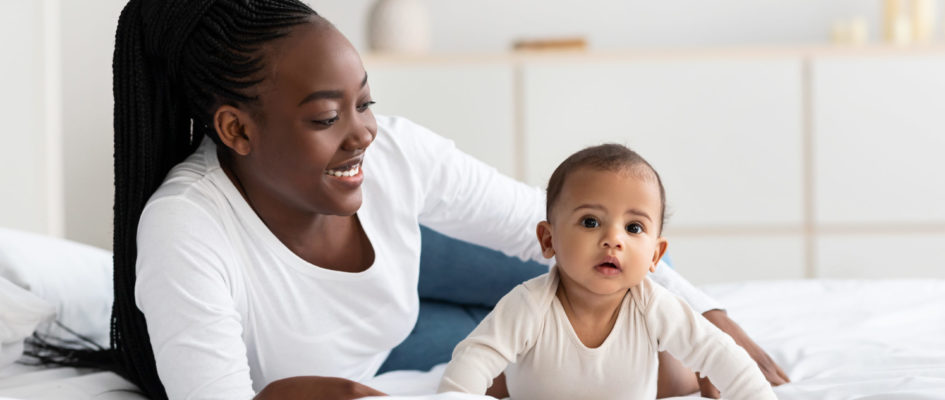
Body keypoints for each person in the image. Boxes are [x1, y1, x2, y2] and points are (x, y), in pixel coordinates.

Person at [85, 0, 787, 399]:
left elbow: (549, 227)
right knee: (572, 353)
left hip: (402, 275)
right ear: (236, 128)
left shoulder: (388, 157)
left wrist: (709, 315)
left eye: (365, 102)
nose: (363, 135)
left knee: (626, 318)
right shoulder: (186, 230)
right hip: (383, 344)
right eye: (327, 118)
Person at [437, 145, 777, 399]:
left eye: (633, 227)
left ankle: (686, 376)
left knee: (680, 373)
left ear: (656, 254)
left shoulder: (656, 305)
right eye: (590, 222)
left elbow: (720, 352)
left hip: (642, 375)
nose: (613, 239)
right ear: (548, 239)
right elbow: (474, 359)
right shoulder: (528, 305)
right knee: (495, 374)